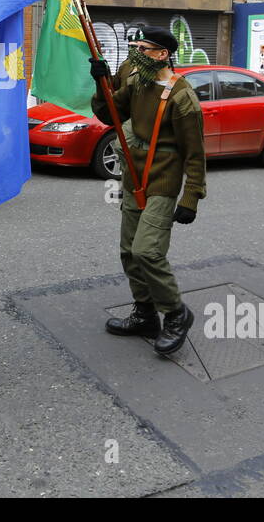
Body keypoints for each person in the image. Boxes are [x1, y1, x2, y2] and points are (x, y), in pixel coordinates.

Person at [88, 26, 206, 356]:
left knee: (147, 251)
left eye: (144, 47)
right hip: (132, 177)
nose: (136, 52)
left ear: (162, 54)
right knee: (128, 251)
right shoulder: (136, 79)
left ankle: (176, 314)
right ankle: (145, 314)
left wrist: (191, 197)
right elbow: (107, 113)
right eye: (136, 46)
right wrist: (101, 82)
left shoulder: (182, 97)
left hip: (162, 182)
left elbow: (195, 153)